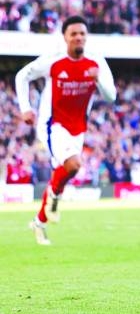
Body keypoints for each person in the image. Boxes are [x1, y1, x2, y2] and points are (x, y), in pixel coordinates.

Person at [15, 15, 116, 245]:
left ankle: (39, 222)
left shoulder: (96, 62)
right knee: (74, 164)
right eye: (74, 34)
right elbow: (23, 76)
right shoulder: (53, 60)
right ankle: (53, 196)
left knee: (67, 170)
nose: (79, 37)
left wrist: (98, 79)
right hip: (52, 124)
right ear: (65, 38)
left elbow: (111, 97)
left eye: (82, 34)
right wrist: (25, 108)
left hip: (78, 126)